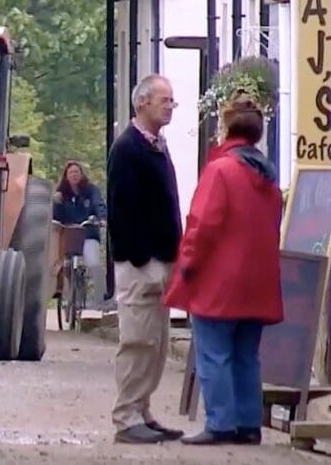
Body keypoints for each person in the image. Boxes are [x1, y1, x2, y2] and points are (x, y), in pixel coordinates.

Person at [164, 93, 284, 446]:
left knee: (214, 353)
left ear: (226, 127)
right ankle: (248, 423)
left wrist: (186, 266)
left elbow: (202, 224)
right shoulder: (268, 176)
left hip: (220, 279)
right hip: (258, 279)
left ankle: (220, 423)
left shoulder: (221, 170)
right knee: (247, 354)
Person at [105, 73, 183, 444]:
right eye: (164, 100)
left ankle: (143, 408)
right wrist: (140, 260)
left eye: (172, 101)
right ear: (142, 103)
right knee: (137, 339)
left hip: (162, 259)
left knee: (156, 341)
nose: (170, 106)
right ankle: (126, 415)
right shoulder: (127, 149)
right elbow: (122, 211)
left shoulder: (156, 146)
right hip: (141, 263)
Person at [51, 161, 113, 301]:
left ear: (81, 174)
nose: (74, 175)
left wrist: (102, 218)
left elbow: (99, 205)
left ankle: (101, 301)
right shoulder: (61, 194)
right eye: (71, 172)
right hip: (68, 235)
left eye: (76, 172)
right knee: (64, 265)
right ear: (66, 176)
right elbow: (55, 216)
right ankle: (69, 297)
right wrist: (56, 204)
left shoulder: (91, 190)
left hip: (88, 233)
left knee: (93, 264)